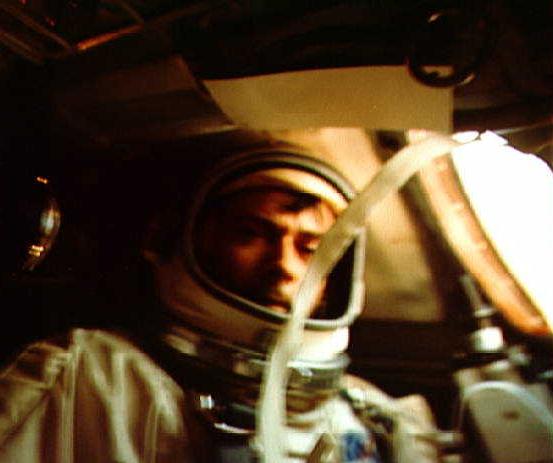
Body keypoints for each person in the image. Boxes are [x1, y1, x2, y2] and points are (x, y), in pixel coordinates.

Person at [0, 143, 438, 462]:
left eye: (311, 249)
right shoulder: (91, 376)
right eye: (251, 235)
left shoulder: (373, 417)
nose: (284, 266)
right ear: (189, 241)